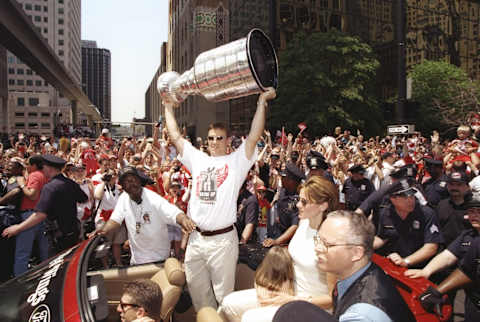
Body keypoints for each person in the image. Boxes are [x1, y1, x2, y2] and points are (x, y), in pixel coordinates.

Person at [163, 88, 276, 310]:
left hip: (222, 242)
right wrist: (167, 106)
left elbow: (254, 135)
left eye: (219, 138)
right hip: (196, 240)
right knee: (199, 298)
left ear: (228, 141)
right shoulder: (198, 159)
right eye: (211, 138)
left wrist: (261, 102)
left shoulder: (236, 161)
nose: (214, 142)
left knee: (224, 299)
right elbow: (175, 136)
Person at [219, 176, 338, 322]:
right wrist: (271, 285)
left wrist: (293, 300)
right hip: (287, 292)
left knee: (250, 318)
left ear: (323, 206)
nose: (298, 205)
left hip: (312, 307)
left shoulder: (331, 241)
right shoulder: (304, 222)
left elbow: (332, 298)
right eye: (299, 200)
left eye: (304, 202)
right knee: (229, 304)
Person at [273, 210, 415, 322]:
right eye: (318, 239)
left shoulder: (362, 315)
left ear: (356, 253)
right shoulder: (357, 274)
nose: (317, 248)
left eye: (327, 244)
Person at [93, 166, 194, 265]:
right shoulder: (123, 198)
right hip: (137, 260)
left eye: (133, 180)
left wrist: (184, 220)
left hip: (159, 259)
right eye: (126, 182)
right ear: (122, 186)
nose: (131, 184)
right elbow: (115, 220)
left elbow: (174, 213)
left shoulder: (153, 198)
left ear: (140, 181)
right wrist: (103, 230)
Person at [405, 196, 480, 317]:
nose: (475, 215)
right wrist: (426, 271)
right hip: (474, 301)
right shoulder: (468, 235)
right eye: (471, 211)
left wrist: (438, 291)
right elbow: (449, 255)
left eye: (479, 211)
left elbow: (469, 271)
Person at [2, 155, 89, 253]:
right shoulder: (70, 183)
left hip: (58, 234)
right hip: (72, 231)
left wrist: (18, 228)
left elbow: (40, 215)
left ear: (50, 168)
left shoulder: (50, 188)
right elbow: (84, 199)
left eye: (43, 167)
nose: (42, 170)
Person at [374, 181, 444, 268]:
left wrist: (406, 261)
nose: (411, 200)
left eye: (412, 196)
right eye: (405, 197)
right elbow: (383, 237)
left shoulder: (426, 213)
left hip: (418, 267)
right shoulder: (386, 213)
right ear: (393, 199)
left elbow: (431, 247)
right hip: (393, 264)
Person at [13, 155, 49, 276]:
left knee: (23, 252)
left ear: (34, 165)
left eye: (28, 164)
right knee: (43, 250)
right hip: (41, 214)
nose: (27, 167)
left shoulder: (35, 175)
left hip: (30, 215)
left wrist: (22, 184)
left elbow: (32, 195)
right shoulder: (44, 175)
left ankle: (19, 281)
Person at [263, 162, 304, 248]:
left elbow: (294, 226)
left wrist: (277, 241)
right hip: (274, 234)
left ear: (291, 181)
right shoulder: (283, 190)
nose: (281, 179)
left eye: (283, 177)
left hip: (285, 244)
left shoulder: (297, 201)